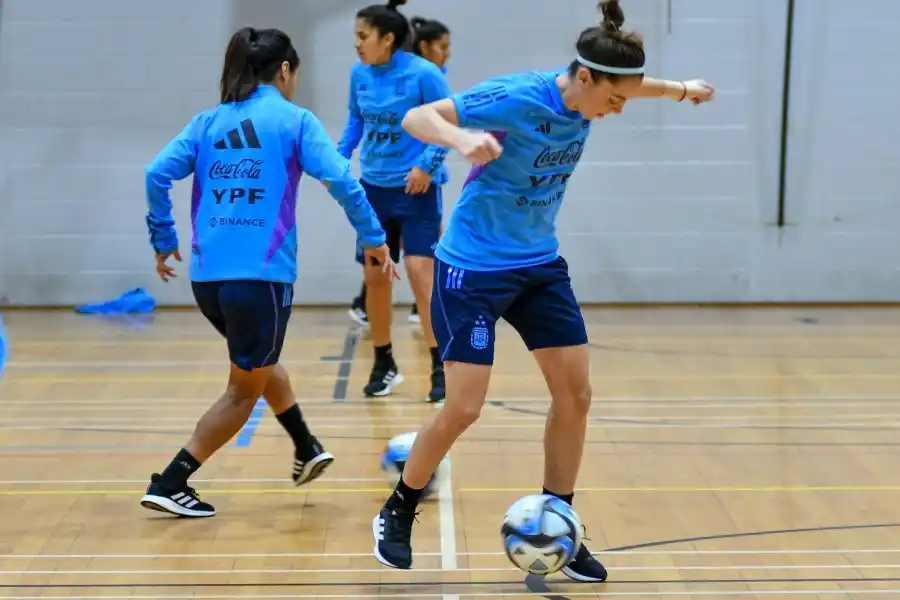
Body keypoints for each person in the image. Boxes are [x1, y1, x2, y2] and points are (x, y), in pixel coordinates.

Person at [371, 0, 715, 579]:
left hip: (538, 265)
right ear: (585, 77)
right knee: (464, 407)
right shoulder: (517, 96)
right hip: (472, 269)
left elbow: (641, 87)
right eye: (613, 99)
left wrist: (683, 90)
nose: (617, 110)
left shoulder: (600, 88)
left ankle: (560, 521)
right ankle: (398, 509)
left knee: (575, 395)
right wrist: (459, 140)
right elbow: (418, 118)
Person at [139, 26, 396, 518]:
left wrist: (164, 239)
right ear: (284, 70)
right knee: (243, 391)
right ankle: (171, 481)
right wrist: (374, 238)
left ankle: (305, 445)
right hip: (260, 280)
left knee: (257, 364)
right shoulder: (294, 121)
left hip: (208, 280)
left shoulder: (208, 122)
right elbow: (342, 180)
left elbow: (156, 173)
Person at [337, 0, 451, 403]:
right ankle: (383, 362)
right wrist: (338, 157)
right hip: (374, 192)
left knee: (421, 275)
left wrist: (426, 166)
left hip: (416, 192)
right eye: (355, 35)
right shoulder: (359, 74)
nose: (357, 43)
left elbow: (449, 124)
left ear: (387, 38)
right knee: (376, 278)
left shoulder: (424, 74)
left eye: (362, 36)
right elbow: (355, 120)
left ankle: (441, 364)